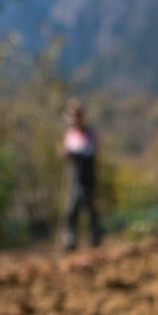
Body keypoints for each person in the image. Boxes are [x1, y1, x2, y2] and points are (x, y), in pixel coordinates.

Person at [61, 99, 101, 250]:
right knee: (72, 209)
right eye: (72, 115)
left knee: (90, 207)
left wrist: (73, 154)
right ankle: (70, 240)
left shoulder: (89, 134)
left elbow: (89, 152)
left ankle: (95, 237)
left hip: (88, 176)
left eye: (77, 115)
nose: (75, 118)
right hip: (74, 177)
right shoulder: (70, 134)